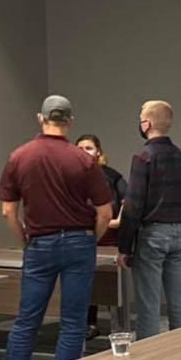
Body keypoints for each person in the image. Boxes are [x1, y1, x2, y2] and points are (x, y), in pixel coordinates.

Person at [0, 95, 113, 360]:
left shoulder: (19, 156)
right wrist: (91, 239)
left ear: (41, 118)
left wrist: (24, 240)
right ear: (70, 122)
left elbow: (8, 211)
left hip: (39, 242)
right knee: (73, 322)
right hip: (79, 242)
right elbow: (105, 213)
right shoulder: (84, 160)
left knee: (27, 320)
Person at [118, 100, 181, 339]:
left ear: (147, 123)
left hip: (152, 235)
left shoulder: (144, 157)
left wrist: (124, 246)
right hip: (179, 233)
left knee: (148, 304)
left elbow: (133, 205)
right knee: (179, 302)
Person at [76, 133, 126, 339]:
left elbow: (127, 202)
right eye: (80, 148)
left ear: (99, 151)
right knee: (85, 285)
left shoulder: (112, 176)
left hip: (110, 240)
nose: (84, 152)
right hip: (83, 239)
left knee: (110, 286)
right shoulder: (71, 177)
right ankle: (88, 324)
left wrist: (115, 222)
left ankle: (118, 328)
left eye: (88, 148)